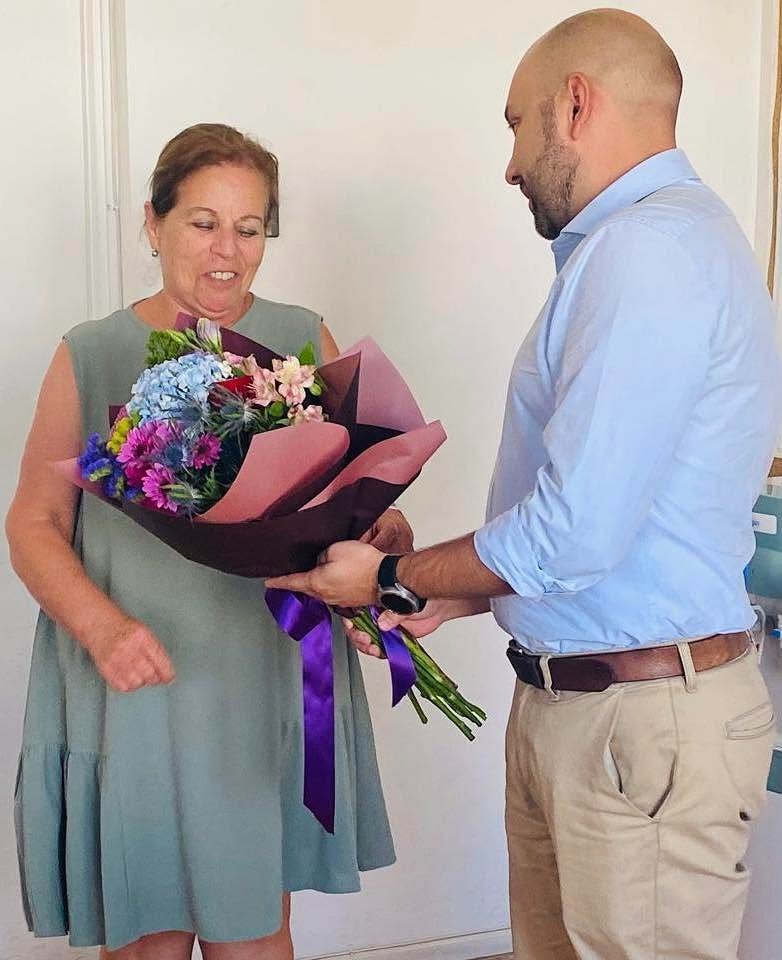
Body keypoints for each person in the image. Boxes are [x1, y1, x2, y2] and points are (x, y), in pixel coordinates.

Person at [268, 10, 782, 960]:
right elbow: (622, 522)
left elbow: (575, 530)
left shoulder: (646, 252)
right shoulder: (656, 245)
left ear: (575, 104)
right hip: (603, 716)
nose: (509, 165)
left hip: (636, 729)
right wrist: (453, 594)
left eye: (516, 123)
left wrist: (396, 577)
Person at [6, 122, 412, 960]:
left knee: (255, 932)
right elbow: (33, 523)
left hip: (261, 679)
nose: (228, 250)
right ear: (153, 225)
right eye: (203, 223)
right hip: (135, 681)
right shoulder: (89, 354)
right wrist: (101, 629)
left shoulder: (302, 338)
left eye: (249, 228)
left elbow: (357, 505)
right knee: (146, 939)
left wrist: (384, 540)